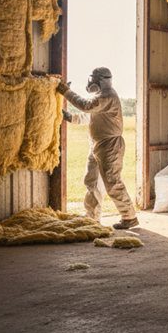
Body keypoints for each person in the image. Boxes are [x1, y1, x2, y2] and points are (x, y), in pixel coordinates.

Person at [57, 67, 138, 229]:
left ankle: (129, 216)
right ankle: (92, 217)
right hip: (97, 144)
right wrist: (70, 117)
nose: (90, 82)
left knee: (112, 181)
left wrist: (66, 92)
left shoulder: (108, 96)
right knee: (92, 181)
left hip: (110, 145)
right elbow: (89, 116)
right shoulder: (100, 97)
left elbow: (86, 106)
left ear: (101, 80)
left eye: (93, 79)